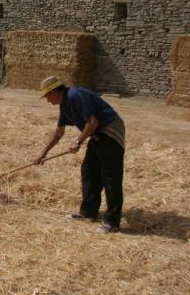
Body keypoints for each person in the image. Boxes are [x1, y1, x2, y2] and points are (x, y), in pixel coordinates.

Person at [33, 76, 126, 234]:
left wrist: (77, 141)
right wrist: (43, 153)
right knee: (89, 172)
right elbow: (59, 132)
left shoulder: (75, 95)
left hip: (110, 131)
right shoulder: (64, 105)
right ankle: (88, 213)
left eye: (47, 96)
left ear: (55, 91)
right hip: (97, 135)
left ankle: (112, 222)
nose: (47, 100)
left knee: (110, 177)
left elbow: (92, 122)